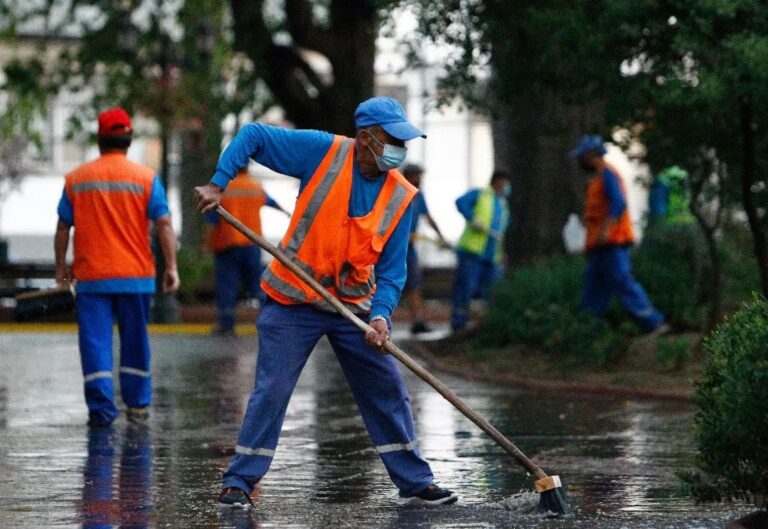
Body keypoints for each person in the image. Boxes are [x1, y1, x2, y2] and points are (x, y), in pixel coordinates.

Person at [194, 97, 458, 508]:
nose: (400, 151)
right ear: (366, 138)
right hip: (292, 299)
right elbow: (253, 135)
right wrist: (218, 183)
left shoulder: (401, 195)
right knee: (272, 390)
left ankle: (415, 481)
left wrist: (383, 316)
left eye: (404, 142)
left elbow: (392, 271)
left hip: (353, 308)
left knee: (387, 386)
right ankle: (239, 482)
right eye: (394, 140)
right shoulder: (324, 151)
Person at [54, 107, 180, 427]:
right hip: (135, 277)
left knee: (95, 343)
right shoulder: (146, 178)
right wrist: (171, 267)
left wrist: (60, 270)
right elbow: (164, 223)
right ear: (129, 139)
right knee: (136, 341)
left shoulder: (76, 179)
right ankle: (137, 406)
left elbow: (62, 227)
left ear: (100, 139)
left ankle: (101, 409)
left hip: (92, 278)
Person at [570, 134, 668, 333]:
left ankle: (654, 322)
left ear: (590, 155)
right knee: (594, 285)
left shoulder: (608, 174)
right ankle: (588, 326)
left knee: (622, 280)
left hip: (613, 241)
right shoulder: (597, 178)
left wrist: (606, 230)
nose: (579, 161)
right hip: (598, 244)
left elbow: (618, 203)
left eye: (581, 156)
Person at [204, 167, 289, 336]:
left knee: (227, 287)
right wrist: (287, 213)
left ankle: (226, 326)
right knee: (257, 285)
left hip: (227, 244)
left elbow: (211, 220)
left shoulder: (222, 188)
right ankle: (273, 321)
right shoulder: (255, 186)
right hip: (252, 243)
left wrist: (206, 244)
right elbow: (272, 202)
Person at [450, 170, 511, 331]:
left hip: (492, 256)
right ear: (497, 181)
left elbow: (501, 233)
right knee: (465, 289)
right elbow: (460, 202)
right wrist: (472, 218)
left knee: (490, 291)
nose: (507, 187)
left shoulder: (503, 204)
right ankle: (459, 323)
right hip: (472, 252)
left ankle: (484, 325)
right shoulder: (481, 195)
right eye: (505, 183)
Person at [401, 164, 450, 334]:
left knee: (414, 284)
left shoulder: (418, 196)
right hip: (389, 248)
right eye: (417, 176)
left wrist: (441, 237)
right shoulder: (394, 191)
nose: (419, 180)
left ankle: (418, 321)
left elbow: (428, 218)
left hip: (409, 248)